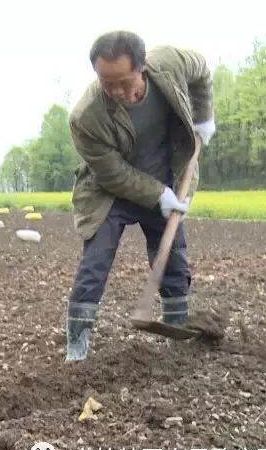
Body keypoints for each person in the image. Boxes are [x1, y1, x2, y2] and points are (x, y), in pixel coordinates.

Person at [64, 31, 215, 361]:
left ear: (142, 66)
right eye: (107, 83)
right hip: (108, 192)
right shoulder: (85, 116)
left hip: (164, 174)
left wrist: (204, 117)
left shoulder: (170, 64)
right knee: (96, 259)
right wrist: (157, 194)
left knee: (173, 253)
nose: (116, 92)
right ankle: (77, 343)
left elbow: (202, 71)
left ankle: (177, 329)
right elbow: (111, 173)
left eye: (123, 82)